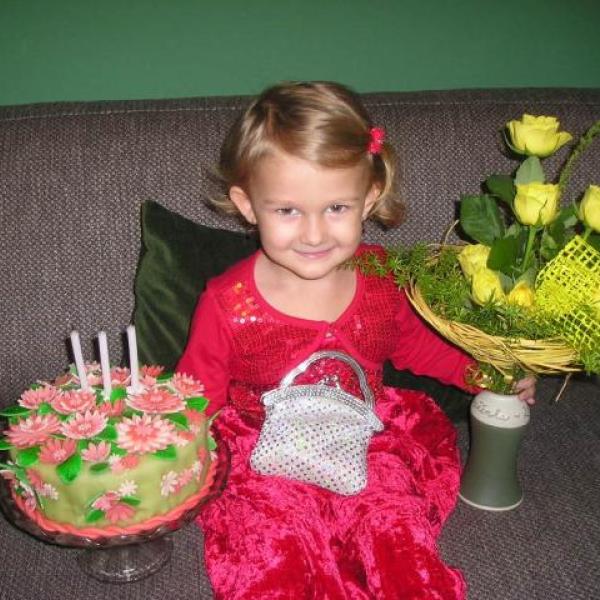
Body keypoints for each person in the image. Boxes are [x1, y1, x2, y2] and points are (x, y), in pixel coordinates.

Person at [177, 81, 536, 599]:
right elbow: (196, 398)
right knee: (277, 549)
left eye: (336, 208)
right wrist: (165, 459)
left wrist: (488, 375)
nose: (314, 234)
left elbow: (417, 346)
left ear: (369, 198)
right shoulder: (226, 302)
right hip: (262, 450)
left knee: (393, 533)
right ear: (247, 205)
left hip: (369, 436)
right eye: (287, 211)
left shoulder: (381, 278)